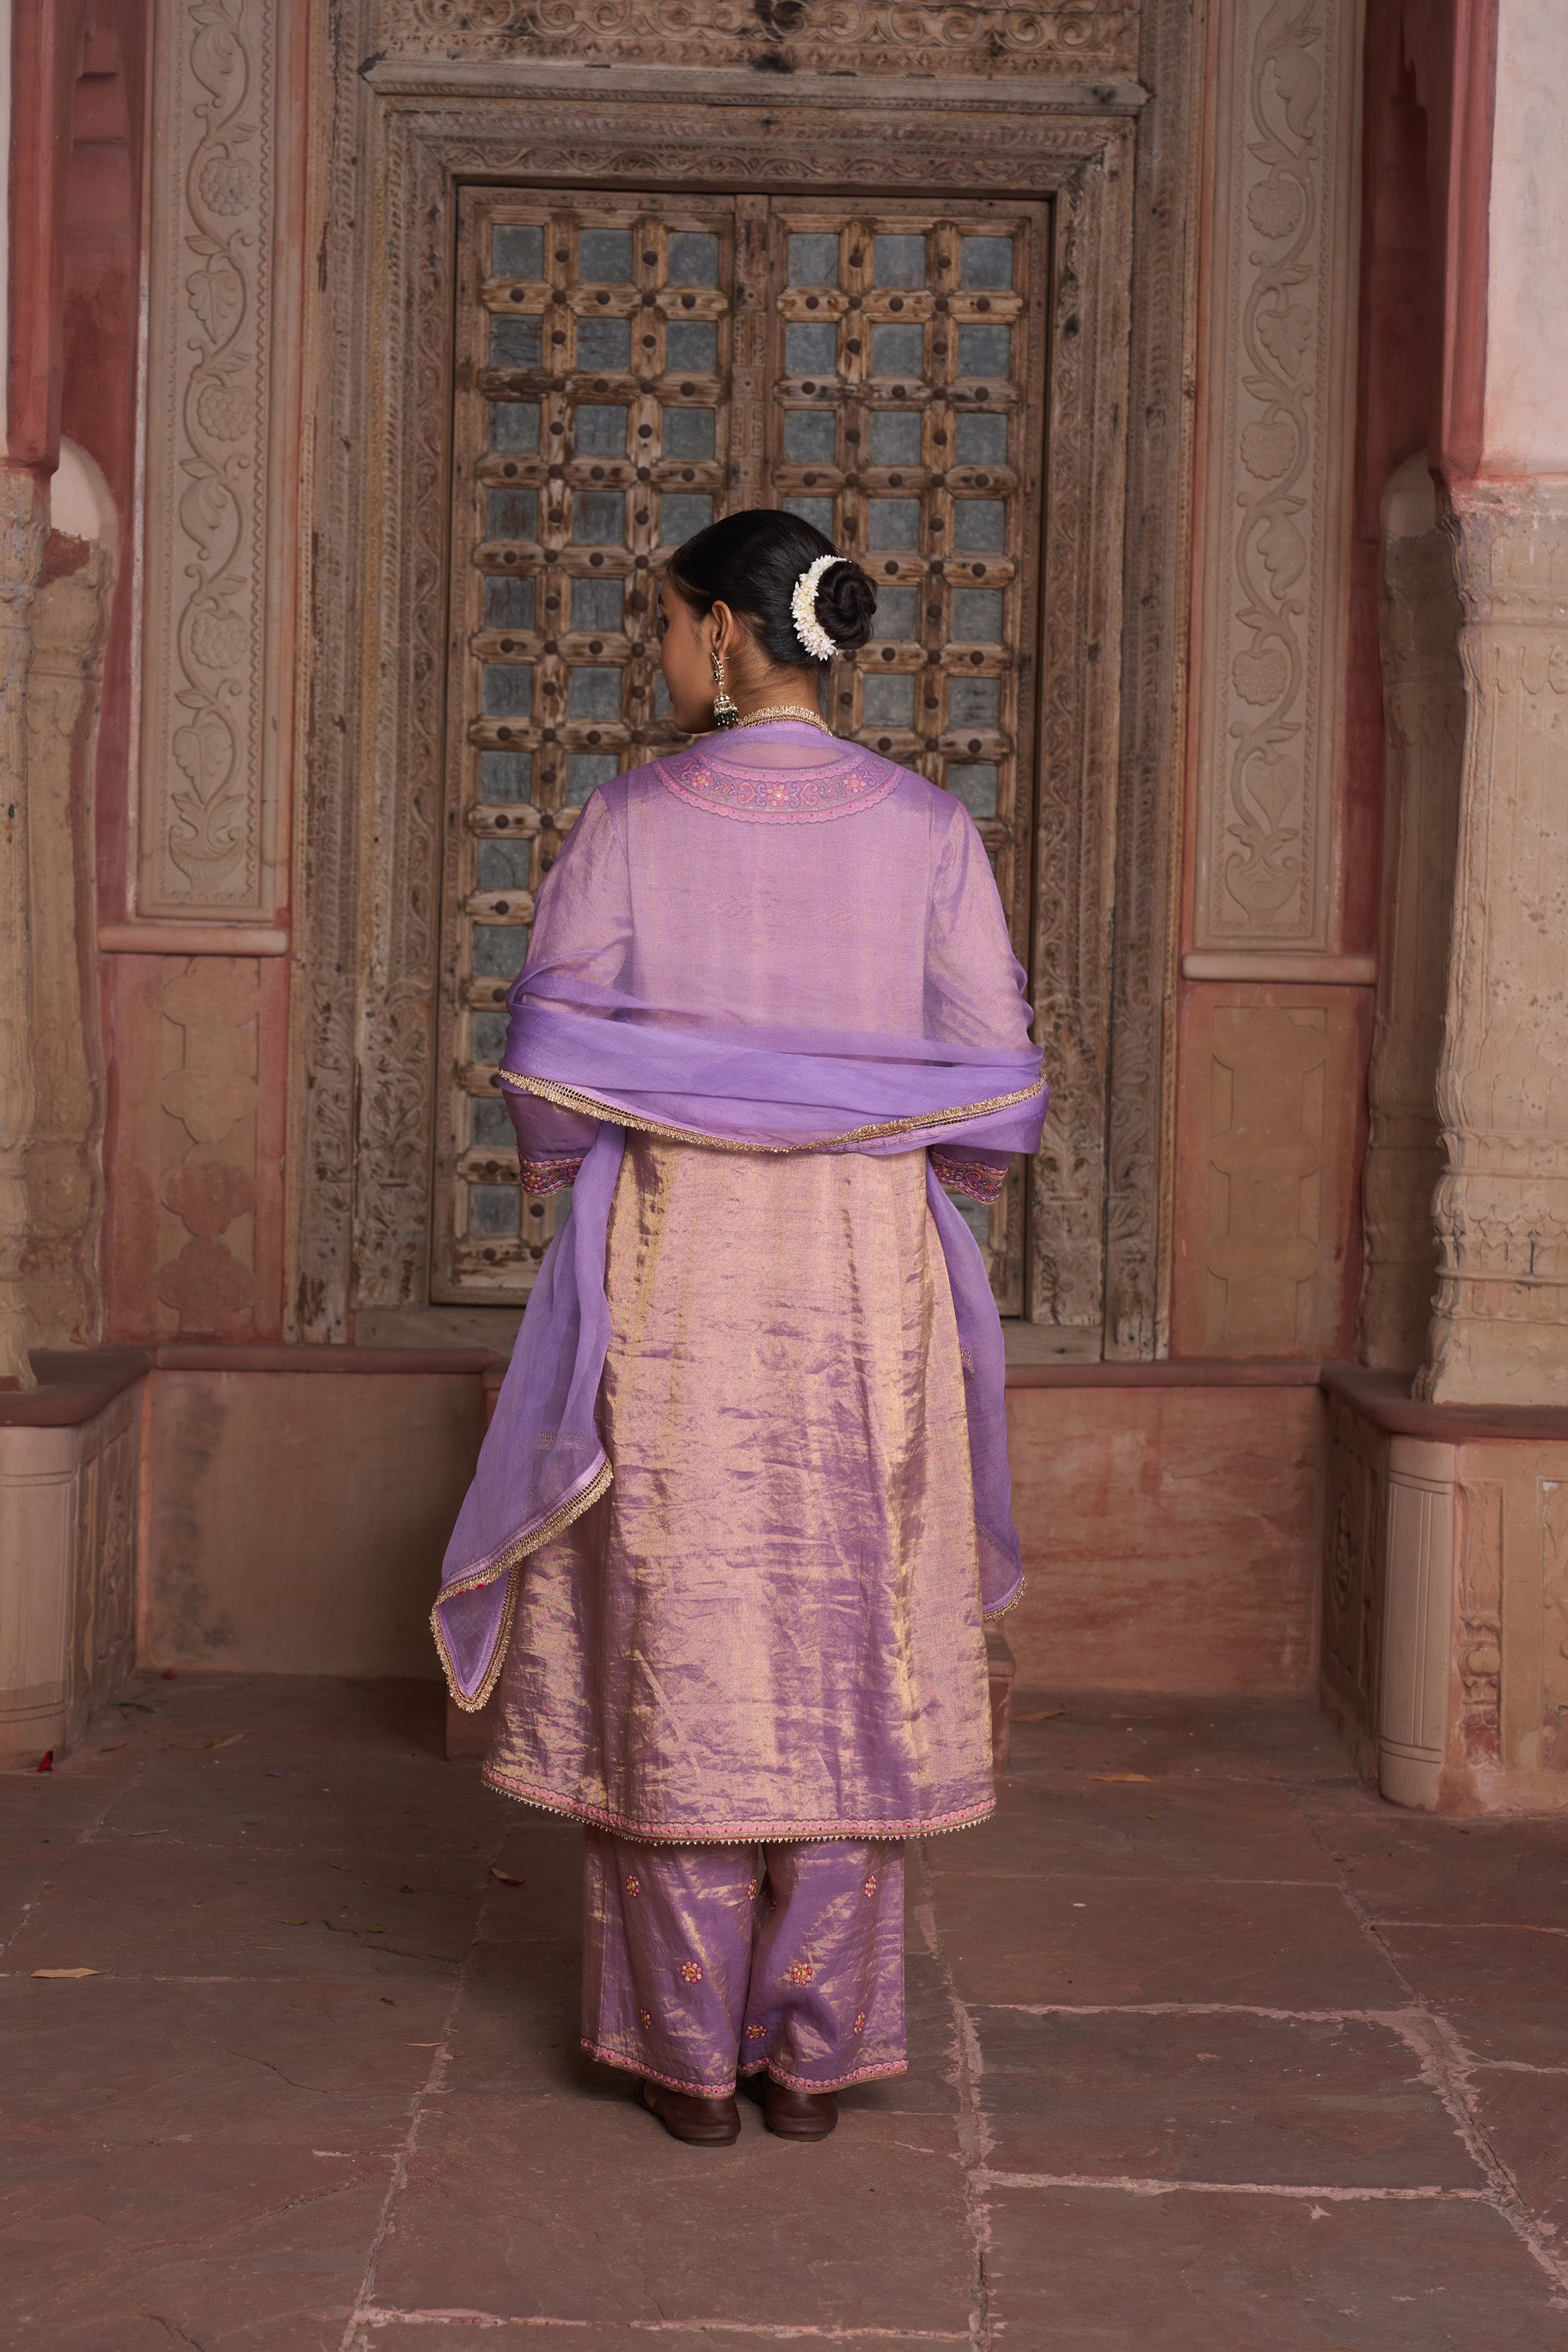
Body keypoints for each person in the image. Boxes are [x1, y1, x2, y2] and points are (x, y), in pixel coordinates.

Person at [433, 509, 1046, 2147]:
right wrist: (898, 1151)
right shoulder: (929, 830)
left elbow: (548, 1064)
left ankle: (686, 2058)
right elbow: (995, 1088)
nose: (657, 653)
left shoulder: (632, 818)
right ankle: (812, 2058)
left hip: (678, 1266)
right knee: (853, 1638)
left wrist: (614, 1141)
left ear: (720, 632)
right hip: (861, 1277)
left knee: (681, 1633)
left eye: (666, 623)